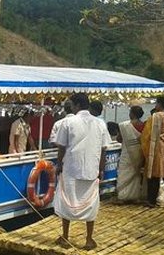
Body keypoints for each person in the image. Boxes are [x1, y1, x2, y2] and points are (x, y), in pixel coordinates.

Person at [53, 93, 111, 250]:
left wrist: (59, 164)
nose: (70, 107)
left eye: (72, 104)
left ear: (76, 105)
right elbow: (104, 149)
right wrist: (101, 169)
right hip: (91, 169)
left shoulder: (68, 122)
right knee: (90, 203)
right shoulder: (100, 123)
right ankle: (89, 239)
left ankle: (65, 236)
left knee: (67, 200)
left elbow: (61, 147)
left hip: (71, 167)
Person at [141, 96, 164, 209]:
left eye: (156, 103)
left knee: (154, 176)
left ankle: (151, 201)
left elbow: (146, 134)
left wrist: (145, 147)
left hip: (157, 149)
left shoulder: (156, 116)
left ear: (160, 104)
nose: (155, 105)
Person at [116, 106, 145, 202]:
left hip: (126, 154)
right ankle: (135, 196)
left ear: (132, 114)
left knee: (124, 173)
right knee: (136, 174)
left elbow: (119, 139)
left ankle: (123, 196)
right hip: (139, 153)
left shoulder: (124, 125)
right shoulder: (144, 125)